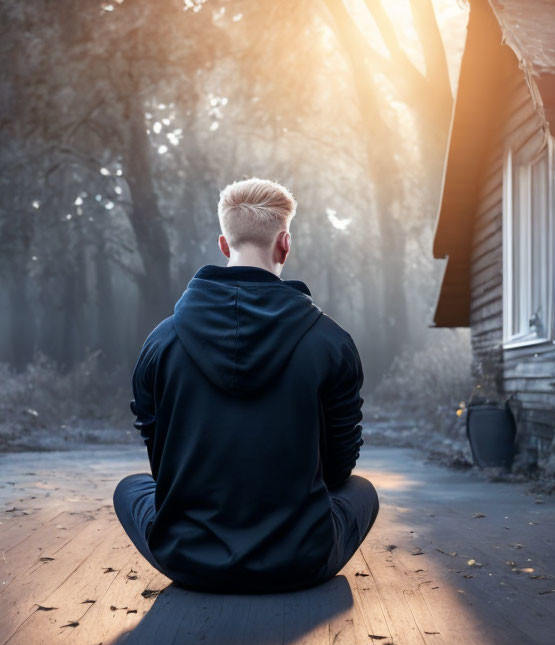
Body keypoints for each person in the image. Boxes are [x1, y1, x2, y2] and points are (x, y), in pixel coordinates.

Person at [113, 177, 379, 594]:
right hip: (301, 559)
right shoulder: (331, 342)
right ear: (285, 243)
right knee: (362, 490)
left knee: (130, 488)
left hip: (187, 559)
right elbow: (339, 467)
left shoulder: (160, 342)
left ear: (224, 245)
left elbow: (159, 460)